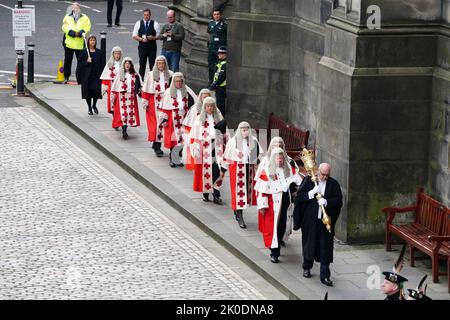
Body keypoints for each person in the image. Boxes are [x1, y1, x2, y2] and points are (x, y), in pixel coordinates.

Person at [294, 163, 343, 287]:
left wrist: (327, 202)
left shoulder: (333, 184)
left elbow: (338, 201)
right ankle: (307, 267)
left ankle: (325, 276)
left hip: (325, 222)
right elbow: (299, 197)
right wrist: (311, 193)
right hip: (311, 221)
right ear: (318, 172)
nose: (325, 177)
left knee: (325, 248)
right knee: (309, 244)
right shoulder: (309, 181)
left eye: (327, 175)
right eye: (322, 174)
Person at [254, 148, 302, 263]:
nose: (279, 161)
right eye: (277, 158)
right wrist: (262, 206)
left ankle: (278, 246)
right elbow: (261, 190)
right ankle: (274, 252)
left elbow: (298, 181)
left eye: (281, 158)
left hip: (286, 202)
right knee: (273, 228)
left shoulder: (289, 169)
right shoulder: (267, 171)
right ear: (273, 159)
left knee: (282, 227)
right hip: (272, 206)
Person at [221, 121, 263, 228]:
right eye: (243, 130)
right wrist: (223, 170)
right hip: (237, 170)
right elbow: (227, 157)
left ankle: (237, 210)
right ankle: (240, 216)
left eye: (247, 129)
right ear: (239, 130)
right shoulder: (233, 141)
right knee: (238, 194)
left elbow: (257, 157)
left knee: (246, 194)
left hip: (248, 170)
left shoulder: (253, 140)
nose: (245, 132)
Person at [190, 97, 226, 204]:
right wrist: (195, 148)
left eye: (211, 106)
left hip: (217, 147)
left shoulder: (218, 118)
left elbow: (225, 133)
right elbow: (195, 135)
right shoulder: (199, 120)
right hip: (205, 148)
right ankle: (205, 193)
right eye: (208, 106)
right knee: (206, 172)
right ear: (205, 107)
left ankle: (216, 195)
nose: (210, 108)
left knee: (218, 171)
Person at [159, 72, 197, 167]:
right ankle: (172, 158)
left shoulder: (187, 91)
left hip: (184, 120)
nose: (179, 83)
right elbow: (164, 108)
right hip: (172, 120)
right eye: (176, 81)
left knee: (182, 139)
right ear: (173, 82)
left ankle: (178, 157)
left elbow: (192, 105)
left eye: (180, 81)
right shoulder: (168, 92)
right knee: (173, 139)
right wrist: (164, 120)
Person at [141, 55, 173, 157]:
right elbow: (146, 89)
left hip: (167, 103)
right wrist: (145, 102)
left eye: (163, 63)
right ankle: (157, 146)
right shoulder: (151, 75)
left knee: (167, 124)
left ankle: (171, 146)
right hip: (154, 103)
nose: (161, 65)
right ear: (156, 64)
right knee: (156, 125)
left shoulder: (171, 74)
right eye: (159, 63)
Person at [111, 57, 142, 139]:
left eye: (129, 64)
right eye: (126, 63)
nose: (127, 65)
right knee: (123, 114)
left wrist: (139, 92)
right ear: (123, 65)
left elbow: (139, 88)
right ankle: (124, 131)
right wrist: (113, 97)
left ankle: (125, 129)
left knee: (129, 114)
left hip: (131, 98)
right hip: (122, 97)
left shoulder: (135, 75)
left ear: (131, 65)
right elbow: (115, 87)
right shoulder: (120, 74)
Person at [183, 88, 212, 171]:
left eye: (207, 97)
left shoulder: (214, 109)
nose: (206, 99)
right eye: (204, 97)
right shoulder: (195, 108)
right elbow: (190, 124)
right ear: (201, 98)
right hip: (197, 135)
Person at [61, 2, 91, 84]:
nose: (75, 8)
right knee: (67, 61)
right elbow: (64, 27)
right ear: (72, 8)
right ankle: (66, 77)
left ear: (79, 8)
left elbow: (88, 26)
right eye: (74, 7)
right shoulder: (67, 17)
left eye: (77, 7)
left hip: (79, 43)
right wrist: (72, 33)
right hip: (69, 42)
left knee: (80, 62)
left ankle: (80, 78)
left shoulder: (85, 17)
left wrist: (82, 32)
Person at [78, 35, 105, 116]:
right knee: (88, 92)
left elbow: (102, 64)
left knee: (96, 91)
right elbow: (80, 63)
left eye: (94, 40)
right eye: (91, 40)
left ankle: (94, 105)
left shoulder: (99, 52)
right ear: (88, 42)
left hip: (96, 75)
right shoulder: (84, 52)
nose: (92, 42)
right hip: (87, 76)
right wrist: (86, 61)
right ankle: (89, 107)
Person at [132, 8, 160, 80]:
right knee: (142, 64)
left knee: (152, 65)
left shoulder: (155, 24)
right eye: (145, 15)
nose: (146, 16)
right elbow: (134, 35)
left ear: (150, 15)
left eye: (147, 15)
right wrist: (141, 39)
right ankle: (141, 80)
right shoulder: (138, 23)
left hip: (152, 47)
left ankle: (152, 80)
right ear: (143, 15)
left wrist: (153, 38)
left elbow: (159, 36)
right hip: (142, 47)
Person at [100, 46, 123, 115]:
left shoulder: (123, 64)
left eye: (118, 53)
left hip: (120, 84)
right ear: (113, 54)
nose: (117, 55)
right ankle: (114, 113)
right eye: (115, 53)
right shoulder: (109, 64)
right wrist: (104, 87)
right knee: (112, 100)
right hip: (112, 85)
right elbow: (106, 76)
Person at [207, 9, 227, 84]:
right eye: (214, 14)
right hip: (211, 48)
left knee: (219, 66)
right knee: (211, 66)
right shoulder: (211, 24)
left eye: (217, 14)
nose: (216, 16)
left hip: (220, 49)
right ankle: (210, 82)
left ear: (220, 15)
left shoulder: (224, 24)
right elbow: (209, 32)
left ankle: (217, 83)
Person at [209, 46, 227, 116]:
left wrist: (215, 84)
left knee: (221, 106)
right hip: (218, 87)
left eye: (220, 53)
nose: (218, 55)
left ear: (224, 54)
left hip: (222, 88)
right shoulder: (220, 63)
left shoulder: (225, 64)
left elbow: (222, 76)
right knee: (219, 105)